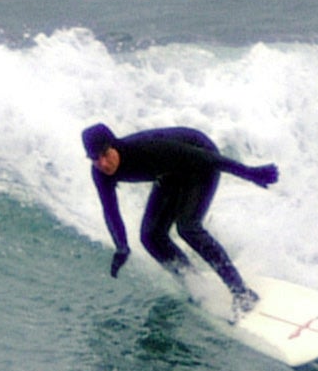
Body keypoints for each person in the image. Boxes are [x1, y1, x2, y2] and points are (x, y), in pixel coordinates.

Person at [81, 121, 278, 315]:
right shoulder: (100, 174)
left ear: (114, 146)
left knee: (187, 227)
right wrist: (121, 246)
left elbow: (209, 158)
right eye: (95, 159)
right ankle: (197, 286)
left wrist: (251, 173)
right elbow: (110, 210)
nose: (103, 164)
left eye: (105, 154)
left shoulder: (146, 148)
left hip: (201, 159)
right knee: (150, 236)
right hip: (170, 173)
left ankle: (242, 293)